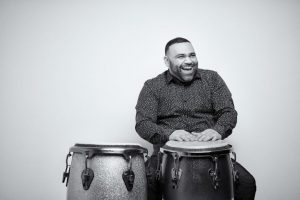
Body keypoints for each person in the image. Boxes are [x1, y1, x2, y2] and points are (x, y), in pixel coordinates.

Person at [135, 37, 256, 200]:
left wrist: (217, 130)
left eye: (192, 55)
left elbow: (228, 112)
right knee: (145, 182)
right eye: (181, 56)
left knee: (246, 182)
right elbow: (143, 124)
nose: (189, 61)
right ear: (166, 61)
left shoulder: (212, 79)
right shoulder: (153, 86)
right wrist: (170, 134)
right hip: (167, 156)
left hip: (212, 155)